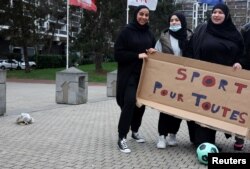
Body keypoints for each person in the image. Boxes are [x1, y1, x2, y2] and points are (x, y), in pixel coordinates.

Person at [186, 3, 245, 150]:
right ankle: (204, 143)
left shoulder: (235, 34)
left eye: (220, 12)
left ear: (226, 15)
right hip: (202, 80)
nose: (216, 15)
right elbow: (190, 49)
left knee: (218, 111)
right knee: (203, 109)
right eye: (214, 12)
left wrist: (239, 63)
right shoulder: (202, 30)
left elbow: (243, 54)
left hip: (224, 84)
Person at [114, 5, 156, 153]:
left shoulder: (150, 34)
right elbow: (118, 54)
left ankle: (135, 130)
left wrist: (152, 52)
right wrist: (137, 55)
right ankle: (122, 137)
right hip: (129, 75)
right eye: (141, 14)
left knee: (141, 105)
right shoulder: (126, 32)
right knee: (130, 103)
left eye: (146, 15)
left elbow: (150, 53)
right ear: (135, 14)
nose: (144, 17)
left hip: (144, 76)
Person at [154, 12, 195, 149]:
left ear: (182, 21)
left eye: (177, 20)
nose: (174, 22)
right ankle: (161, 136)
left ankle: (173, 134)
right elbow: (156, 56)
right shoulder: (163, 39)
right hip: (168, 79)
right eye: (171, 20)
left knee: (178, 109)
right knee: (165, 109)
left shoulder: (190, 37)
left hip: (185, 80)